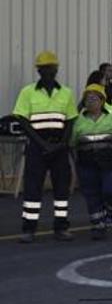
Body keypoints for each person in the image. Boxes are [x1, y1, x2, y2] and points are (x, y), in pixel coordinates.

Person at [13, 51, 79, 243]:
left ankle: (61, 227)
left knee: (61, 190)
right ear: (38, 70)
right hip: (37, 146)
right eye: (44, 68)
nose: (48, 71)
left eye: (51, 67)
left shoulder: (66, 92)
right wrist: (41, 143)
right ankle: (29, 229)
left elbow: (70, 120)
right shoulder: (27, 92)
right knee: (33, 189)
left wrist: (62, 144)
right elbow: (23, 120)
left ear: (56, 69)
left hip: (59, 147)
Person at [70, 84, 112, 240]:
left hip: (109, 163)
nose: (90, 102)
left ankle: (110, 209)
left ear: (102, 101)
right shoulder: (78, 121)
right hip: (87, 165)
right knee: (92, 195)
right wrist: (76, 165)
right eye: (87, 99)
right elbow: (73, 145)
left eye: (94, 98)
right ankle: (98, 226)